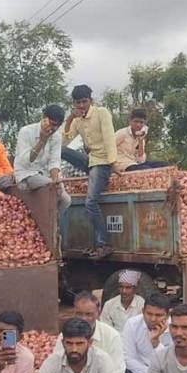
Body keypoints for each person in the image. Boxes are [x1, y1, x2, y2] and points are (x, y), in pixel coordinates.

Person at [62, 85, 117, 260]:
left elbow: (109, 139)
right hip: (91, 161)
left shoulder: (102, 113)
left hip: (102, 162)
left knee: (90, 202)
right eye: (78, 103)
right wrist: (71, 117)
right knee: (61, 150)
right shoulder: (78, 120)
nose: (82, 106)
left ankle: (105, 243)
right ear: (74, 104)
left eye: (84, 102)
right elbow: (64, 139)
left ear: (90, 101)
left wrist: (113, 163)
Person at [13, 104, 71, 223]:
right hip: (26, 174)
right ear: (43, 118)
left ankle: (52, 224)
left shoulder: (56, 135)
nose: (54, 128)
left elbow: (54, 161)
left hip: (44, 174)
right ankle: (46, 222)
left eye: (57, 125)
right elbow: (26, 161)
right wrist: (42, 140)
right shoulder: (26, 131)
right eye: (52, 124)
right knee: (51, 187)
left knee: (65, 200)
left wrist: (55, 179)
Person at [54, 291, 126, 373]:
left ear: (98, 313)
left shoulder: (112, 336)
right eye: (79, 314)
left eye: (89, 314)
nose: (84, 319)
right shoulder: (65, 335)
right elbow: (56, 368)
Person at [121, 292, 174, 373]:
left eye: (158, 315)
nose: (153, 319)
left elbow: (171, 363)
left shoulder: (175, 328)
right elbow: (128, 358)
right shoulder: (132, 324)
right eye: (149, 314)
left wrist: (156, 342)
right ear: (143, 311)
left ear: (167, 316)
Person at [113, 108, 148, 172]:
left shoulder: (141, 138)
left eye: (141, 122)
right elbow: (108, 147)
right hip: (121, 164)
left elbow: (140, 160)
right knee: (145, 169)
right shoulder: (122, 133)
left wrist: (140, 142)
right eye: (136, 121)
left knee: (163, 165)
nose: (138, 125)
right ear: (130, 121)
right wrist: (111, 166)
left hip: (134, 163)